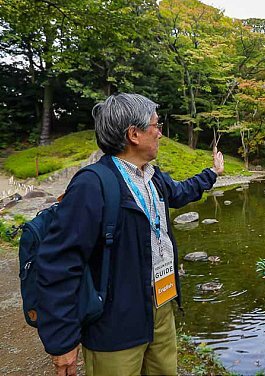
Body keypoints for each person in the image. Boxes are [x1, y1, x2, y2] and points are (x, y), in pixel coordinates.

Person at [36, 93, 225, 376]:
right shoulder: (92, 185)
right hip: (115, 322)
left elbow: (180, 192)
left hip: (161, 305)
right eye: (155, 125)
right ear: (134, 134)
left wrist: (212, 173)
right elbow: (59, 263)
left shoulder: (153, 176)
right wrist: (62, 341)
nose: (160, 133)